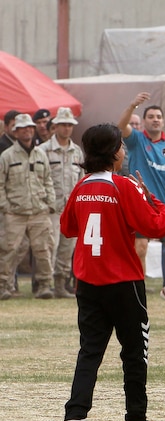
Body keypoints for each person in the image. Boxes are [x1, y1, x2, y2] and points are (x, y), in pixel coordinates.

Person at [60, 123, 165, 421]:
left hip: (88, 281)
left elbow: (68, 228)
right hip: (124, 282)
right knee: (134, 352)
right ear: (114, 152)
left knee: (90, 349)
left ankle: (76, 414)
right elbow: (155, 227)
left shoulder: (82, 185)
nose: (125, 150)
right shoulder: (123, 186)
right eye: (122, 145)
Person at [118, 92, 165, 312]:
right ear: (145, 120)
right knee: (140, 248)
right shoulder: (137, 140)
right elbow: (121, 128)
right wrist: (132, 104)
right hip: (141, 202)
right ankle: (138, 294)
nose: (155, 119)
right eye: (151, 116)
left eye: (158, 116)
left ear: (163, 120)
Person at [0, 113, 55, 300]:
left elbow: (48, 179)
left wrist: (50, 202)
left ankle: (44, 285)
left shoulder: (41, 154)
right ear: (15, 131)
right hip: (14, 212)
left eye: (30, 127)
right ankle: (3, 286)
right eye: (23, 128)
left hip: (39, 210)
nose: (28, 131)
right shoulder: (7, 156)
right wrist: (5, 206)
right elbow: (0, 183)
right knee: (9, 250)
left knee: (43, 249)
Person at [38, 107, 84, 299]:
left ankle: (60, 284)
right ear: (55, 126)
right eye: (63, 125)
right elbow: (37, 179)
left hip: (71, 209)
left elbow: (81, 178)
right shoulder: (42, 151)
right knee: (49, 246)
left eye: (70, 125)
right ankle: (44, 285)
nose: (67, 129)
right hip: (51, 208)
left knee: (67, 248)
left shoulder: (77, 152)